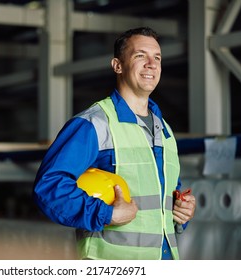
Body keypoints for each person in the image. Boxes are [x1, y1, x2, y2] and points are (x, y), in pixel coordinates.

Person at [32, 27, 196, 260]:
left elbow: (162, 198)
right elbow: (48, 187)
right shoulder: (94, 124)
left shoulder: (165, 130)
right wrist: (106, 214)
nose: (151, 64)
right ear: (117, 65)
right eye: (140, 56)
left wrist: (181, 211)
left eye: (157, 57)